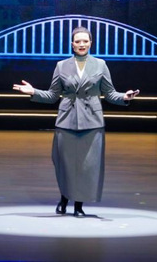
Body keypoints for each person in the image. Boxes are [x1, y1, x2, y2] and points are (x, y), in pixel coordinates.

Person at [12, 26, 140, 217]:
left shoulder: (100, 65)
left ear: (91, 43)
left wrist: (125, 97)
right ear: (72, 44)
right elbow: (53, 95)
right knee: (65, 165)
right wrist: (33, 92)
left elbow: (110, 93)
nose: (82, 44)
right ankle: (64, 198)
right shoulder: (61, 66)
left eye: (85, 41)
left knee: (87, 167)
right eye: (78, 41)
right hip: (67, 121)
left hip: (92, 122)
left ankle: (78, 205)